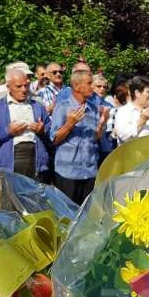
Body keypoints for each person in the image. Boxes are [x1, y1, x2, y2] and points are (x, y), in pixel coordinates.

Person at [49, 68, 109, 204]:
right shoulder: (62, 107)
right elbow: (54, 139)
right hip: (68, 172)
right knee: (68, 216)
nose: (92, 87)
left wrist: (101, 124)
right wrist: (69, 124)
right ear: (76, 86)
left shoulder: (93, 108)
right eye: (89, 83)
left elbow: (95, 138)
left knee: (86, 215)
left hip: (89, 171)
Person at [0, 65, 50, 180]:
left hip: (35, 158)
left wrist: (42, 130)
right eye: (18, 86)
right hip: (10, 158)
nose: (23, 89)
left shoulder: (37, 106)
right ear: (8, 87)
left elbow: (50, 130)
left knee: (30, 195)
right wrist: (7, 131)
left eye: (26, 85)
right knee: (9, 196)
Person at [115, 76, 149, 143]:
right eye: (148, 92)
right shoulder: (123, 112)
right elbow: (124, 137)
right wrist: (142, 120)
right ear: (137, 93)